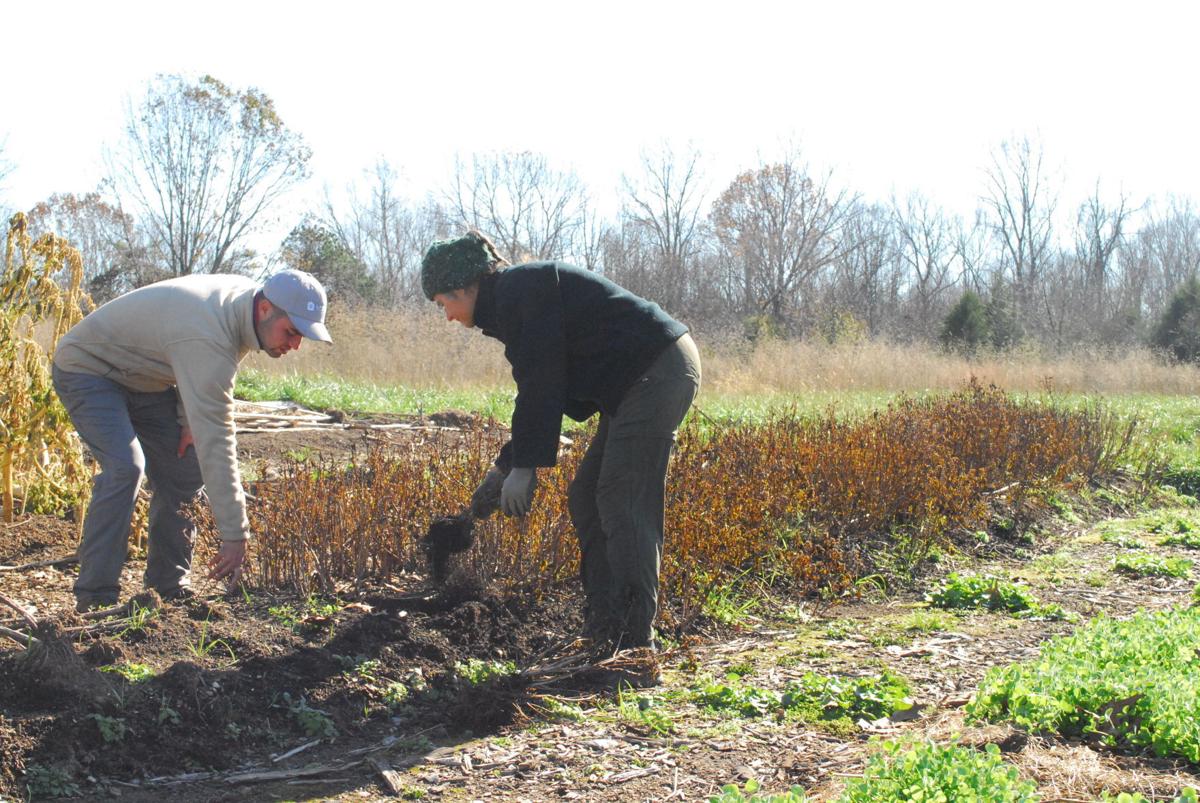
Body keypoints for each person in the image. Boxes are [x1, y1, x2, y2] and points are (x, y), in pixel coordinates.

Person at [420, 231, 701, 653]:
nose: (447, 317)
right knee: (586, 495)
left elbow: (543, 382)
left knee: (621, 497)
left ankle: (634, 644)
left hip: (655, 371)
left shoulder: (520, 291)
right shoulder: (510, 301)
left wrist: (524, 467)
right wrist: (505, 468)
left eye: (444, 304)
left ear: (464, 286)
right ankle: (604, 623)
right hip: (633, 383)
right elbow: (538, 386)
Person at [52, 270, 332, 612]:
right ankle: (95, 597)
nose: (295, 345)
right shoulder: (209, 330)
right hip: (88, 370)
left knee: (185, 469)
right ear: (265, 309)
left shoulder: (243, 306)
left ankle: (167, 587)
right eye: (291, 332)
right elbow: (216, 436)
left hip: (146, 380)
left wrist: (188, 420)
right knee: (126, 467)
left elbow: (190, 361)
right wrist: (235, 534)